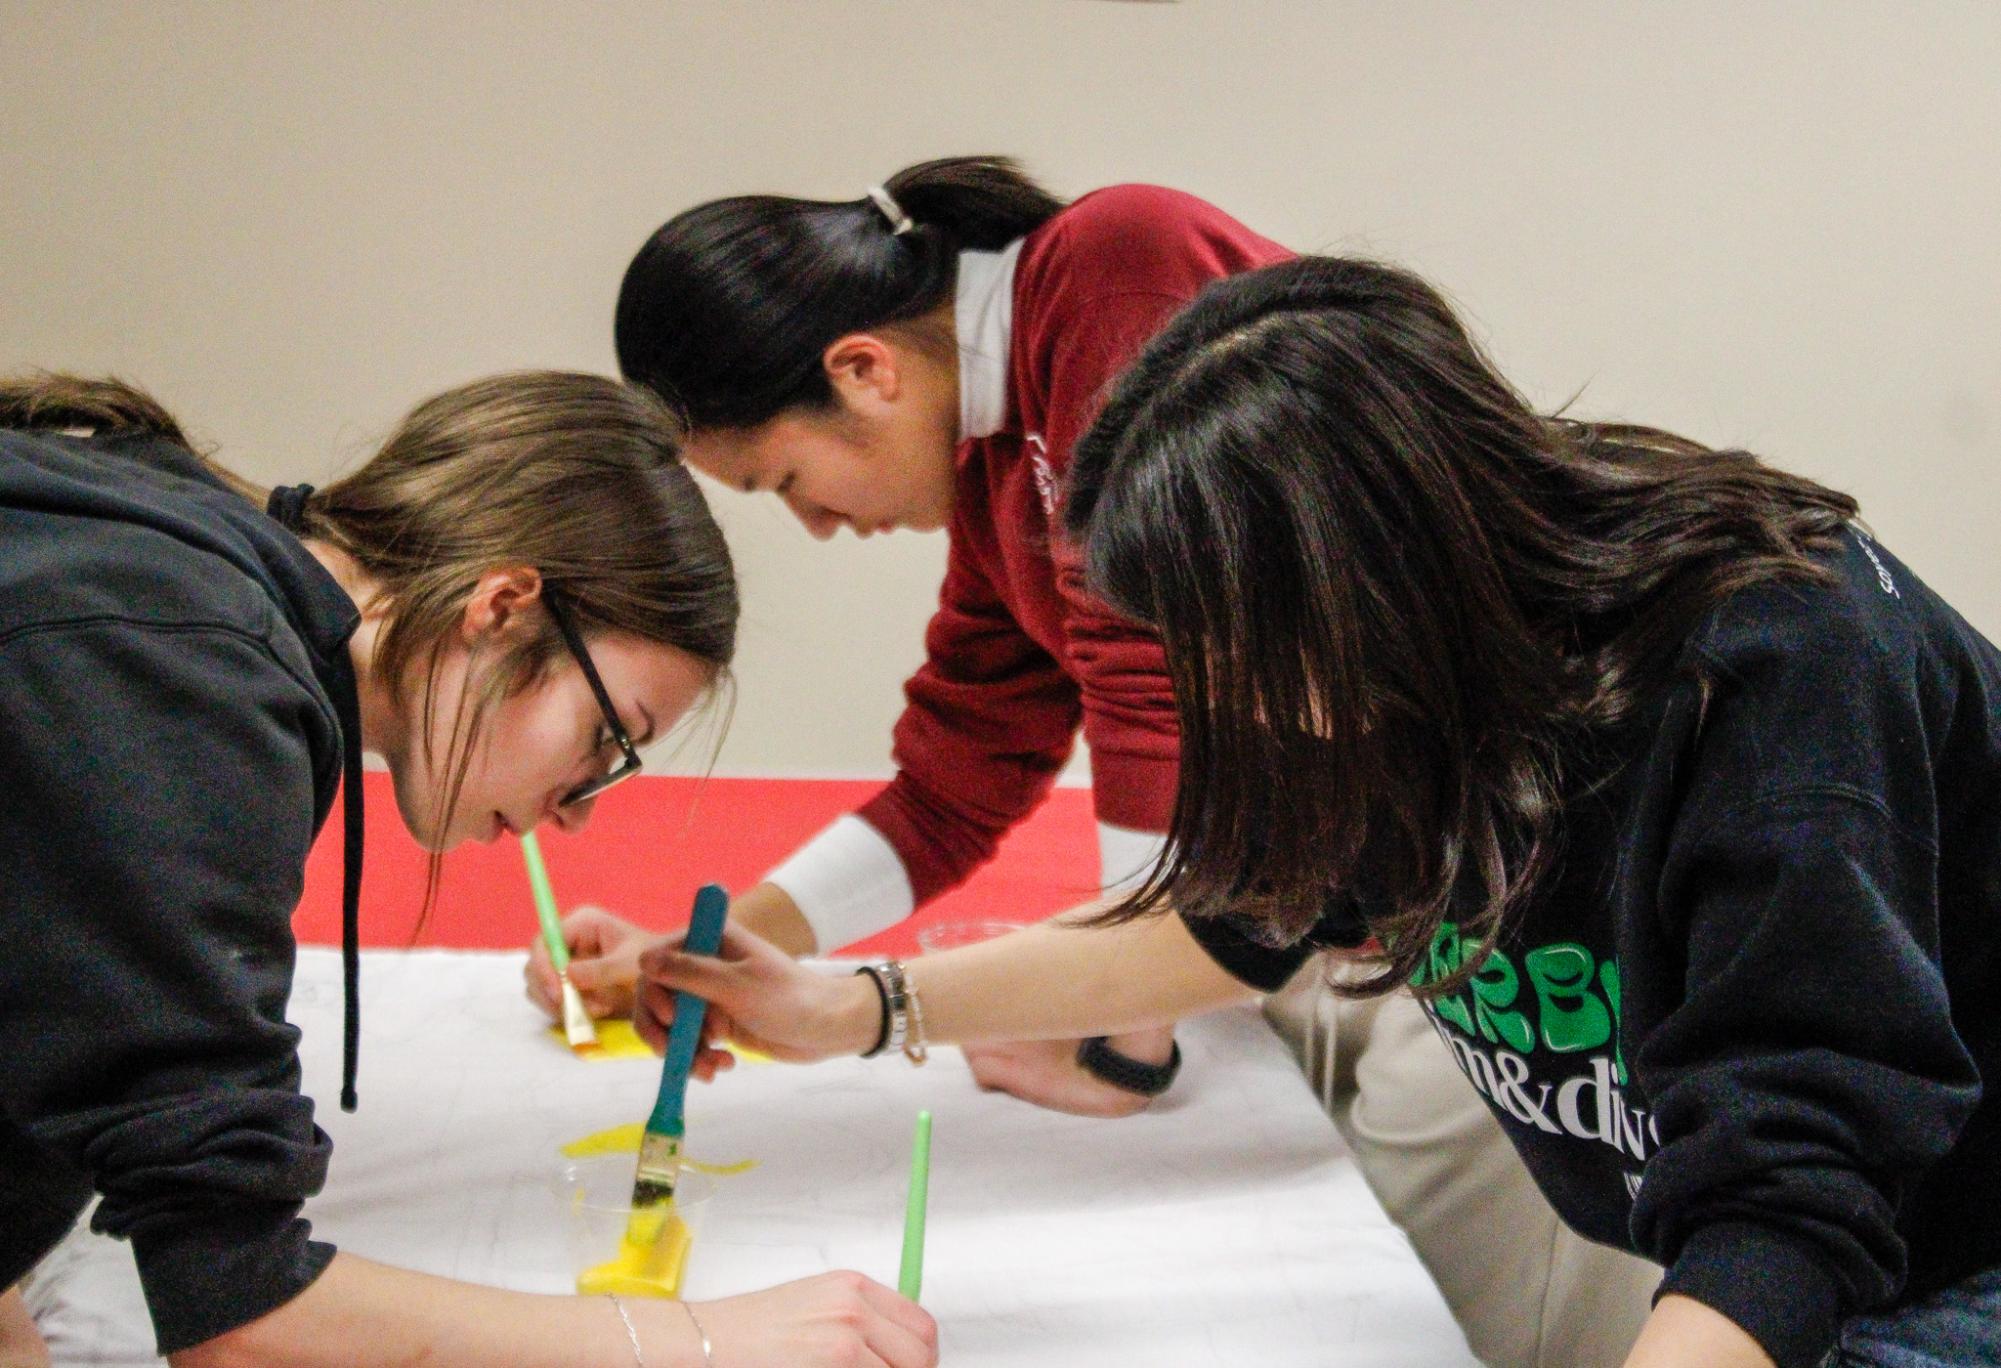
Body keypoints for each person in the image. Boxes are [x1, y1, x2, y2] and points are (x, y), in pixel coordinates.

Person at [629, 255, 2001, 1368]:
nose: (1222, 701)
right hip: (1794, 1254)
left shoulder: (1780, 662)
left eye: (1229, 649)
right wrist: (858, 1007)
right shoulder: (1387, 664)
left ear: (1372, 572)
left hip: (1948, 1260)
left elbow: (1796, 1182)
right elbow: (1237, 917)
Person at [0, 373, 936, 1368]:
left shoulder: (175, 571)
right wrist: (689, 1341)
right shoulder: (177, 675)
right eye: (605, 739)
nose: (576, 812)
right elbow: (238, 1314)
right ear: (499, 607)